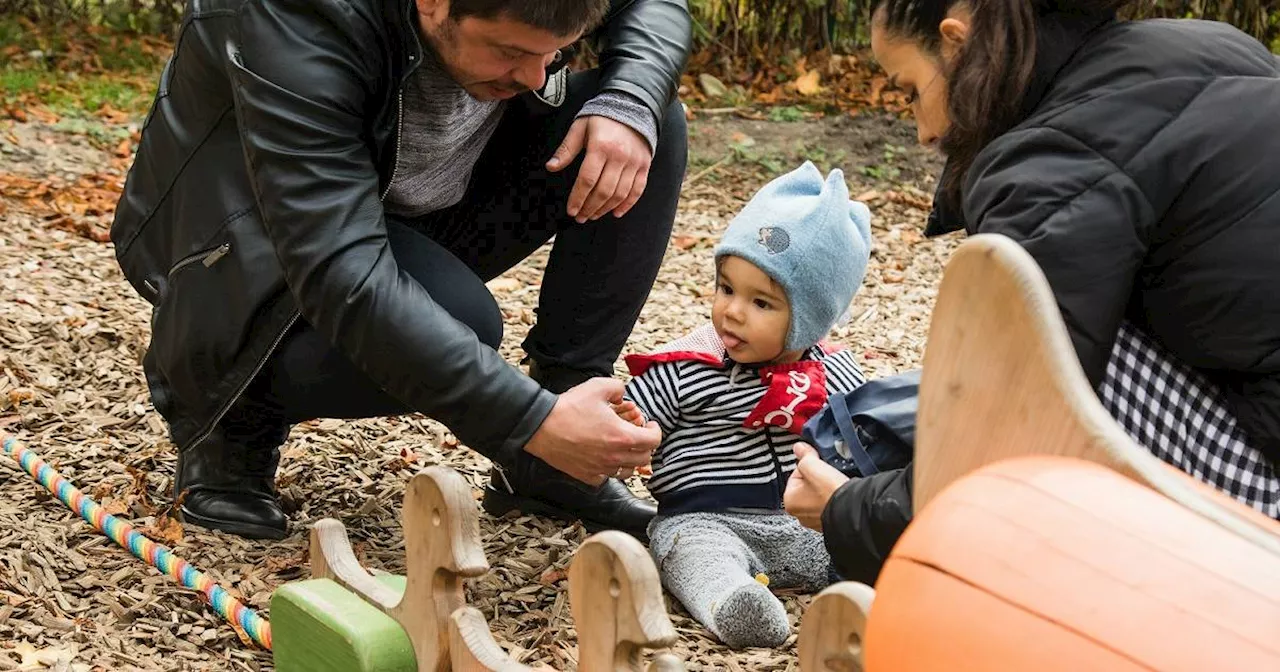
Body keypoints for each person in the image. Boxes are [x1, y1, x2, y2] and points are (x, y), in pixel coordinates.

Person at [109, 0, 692, 541]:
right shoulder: (294, 15)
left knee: (645, 123)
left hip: (420, 205)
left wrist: (629, 100)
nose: (537, 78)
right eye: (511, 52)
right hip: (249, 246)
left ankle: (558, 451)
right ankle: (231, 420)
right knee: (460, 319)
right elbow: (340, 266)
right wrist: (528, 420)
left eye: (556, 53)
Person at [785, 0, 1280, 584]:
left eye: (910, 90)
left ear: (954, 43)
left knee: (1031, 338)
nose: (921, 132)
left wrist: (848, 509)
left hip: (1262, 524)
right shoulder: (1208, 46)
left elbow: (1017, 427)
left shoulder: (1051, 162)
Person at [620, 162, 874, 648]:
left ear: (810, 319)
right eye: (726, 288)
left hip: (805, 524)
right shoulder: (685, 366)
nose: (732, 311)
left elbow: (868, 442)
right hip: (707, 519)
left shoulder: (835, 373)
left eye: (762, 303)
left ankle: (881, 599)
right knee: (690, 551)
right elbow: (623, 430)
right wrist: (630, 432)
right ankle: (731, 602)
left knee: (864, 543)